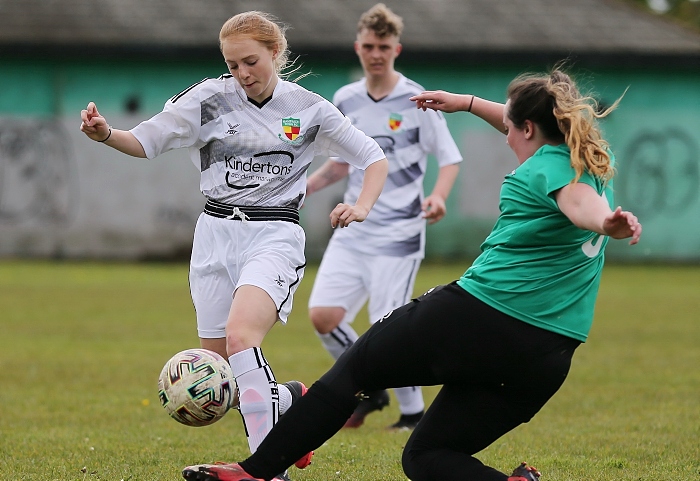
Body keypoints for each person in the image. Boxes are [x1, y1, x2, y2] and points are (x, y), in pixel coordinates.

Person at [180, 66, 642, 481]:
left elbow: (580, 206)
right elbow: (525, 127)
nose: (505, 135)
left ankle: (255, 472)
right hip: (547, 357)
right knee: (427, 456)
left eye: (511, 128)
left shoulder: (549, 172)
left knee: (355, 369)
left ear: (527, 128)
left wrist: (607, 223)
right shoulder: (592, 162)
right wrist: (464, 103)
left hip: (482, 318)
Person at [79, 10, 388, 481]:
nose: (243, 74)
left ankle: (266, 469)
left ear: (275, 54)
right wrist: (107, 135)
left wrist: (362, 205)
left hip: (274, 235)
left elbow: (372, 155)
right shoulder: (207, 98)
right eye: (233, 64)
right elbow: (146, 140)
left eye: (251, 62)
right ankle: (289, 401)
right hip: (214, 237)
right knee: (220, 371)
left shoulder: (308, 108)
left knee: (242, 338)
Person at [305, 3, 462, 430]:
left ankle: (413, 413)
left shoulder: (417, 99)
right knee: (322, 315)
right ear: (358, 48)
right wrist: (303, 187)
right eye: (369, 46)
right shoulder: (345, 99)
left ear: (397, 49)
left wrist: (439, 197)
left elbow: (449, 158)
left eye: (385, 47)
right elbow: (340, 164)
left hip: (400, 231)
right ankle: (371, 389)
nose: (376, 54)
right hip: (354, 226)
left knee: (387, 326)